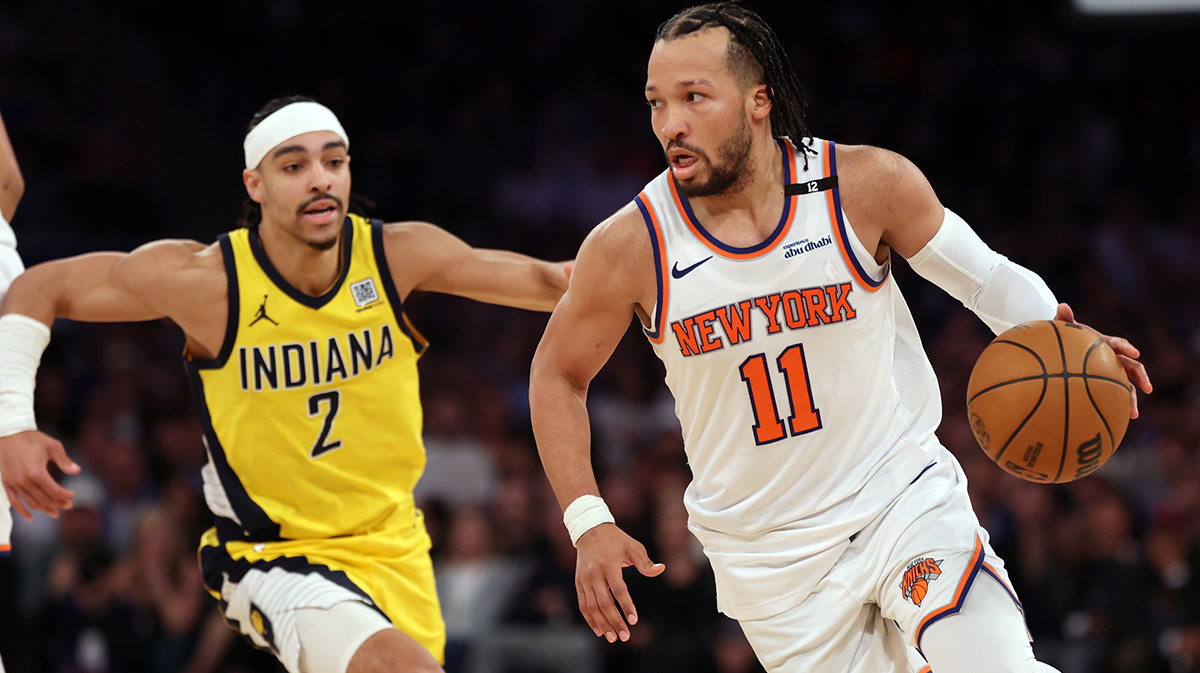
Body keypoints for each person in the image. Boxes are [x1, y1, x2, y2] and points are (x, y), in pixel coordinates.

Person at [528, 4, 1152, 673]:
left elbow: (985, 278)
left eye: (694, 98)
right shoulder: (631, 245)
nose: (670, 125)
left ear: (758, 100)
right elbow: (557, 375)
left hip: (901, 501)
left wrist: (1070, 339)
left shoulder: (862, 184)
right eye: (656, 103)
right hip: (772, 560)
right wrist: (588, 520)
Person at [0, 96, 570, 673]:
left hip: (397, 545)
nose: (320, 180)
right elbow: (38, 288)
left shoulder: (395, 255)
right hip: (274, 555)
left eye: (334, 162)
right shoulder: (209, 282)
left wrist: (656, 243)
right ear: (256, 184)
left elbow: (553, 281)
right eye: (293, 166)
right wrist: (12, 423)